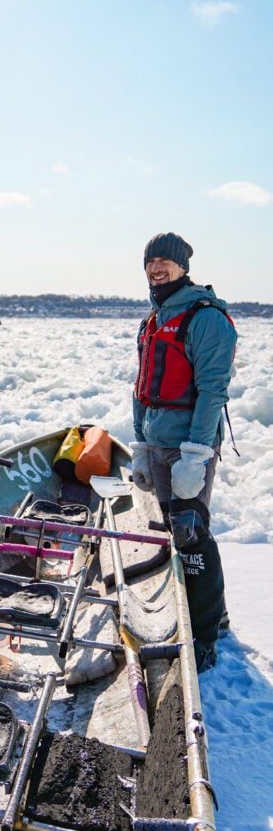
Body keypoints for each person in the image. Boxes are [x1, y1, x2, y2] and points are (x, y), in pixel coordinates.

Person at [130, 232, 237, 674]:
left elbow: (213, 390)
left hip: (187, 447)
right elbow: (141, 389)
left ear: (183, 267)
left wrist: (195, 456)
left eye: (165, 262)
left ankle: (207, 634)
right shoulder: (153, 320)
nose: (157, 269)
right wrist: (138, 444)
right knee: (175, 535)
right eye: (151, 262)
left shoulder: (205, 318)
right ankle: (212, 614)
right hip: (156, 443)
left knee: (192, 536)